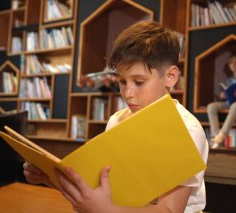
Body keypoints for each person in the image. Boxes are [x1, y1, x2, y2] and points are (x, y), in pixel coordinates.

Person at [23, 21, 209, 213]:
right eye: (122, 81)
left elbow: (170, 210)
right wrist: (51, 178)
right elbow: (102, 190)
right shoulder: (117, 120)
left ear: (170, 77)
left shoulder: (186, 130)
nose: (127, 93)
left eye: (139, 82)